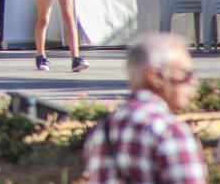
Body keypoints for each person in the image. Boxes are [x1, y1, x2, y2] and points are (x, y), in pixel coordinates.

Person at [84, 32, 205, 184]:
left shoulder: (103, 131)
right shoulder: (170, 132)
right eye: (185, 74)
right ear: (155, 76)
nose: (194, 82)